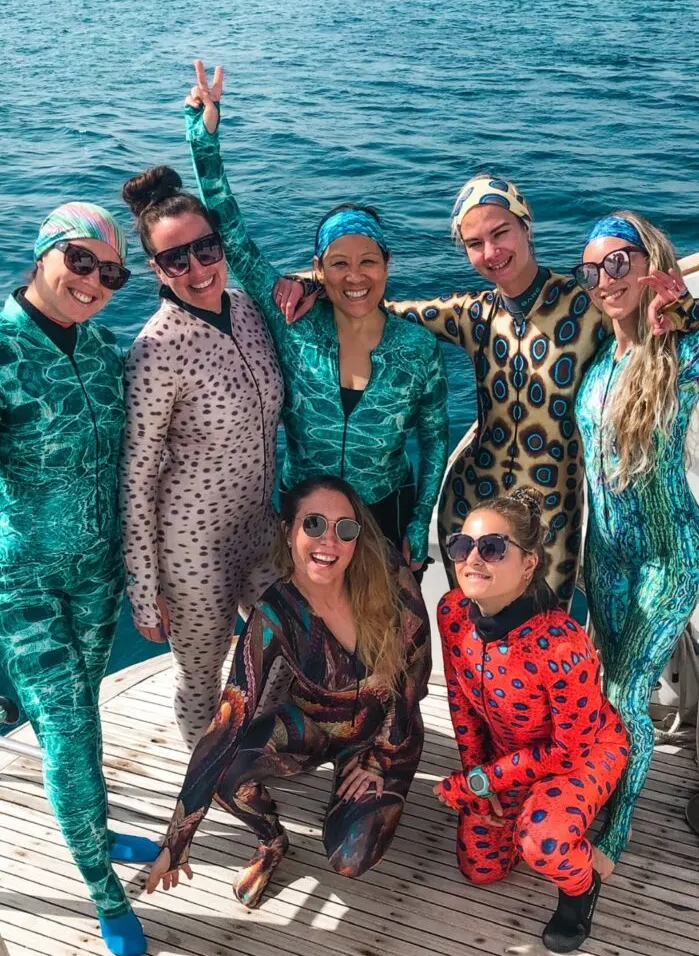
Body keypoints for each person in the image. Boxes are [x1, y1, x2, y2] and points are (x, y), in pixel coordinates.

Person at [275, 176, 691, 605]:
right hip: (470, 502)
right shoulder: (474, 314)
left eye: (500, 233)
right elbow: (371, 303)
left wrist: (685, 313)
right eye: (475, 243)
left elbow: (650, 323)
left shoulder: (587, 302)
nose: (491, 253)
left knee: (545, 636)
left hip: (551, 513)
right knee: (472, 637)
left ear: (526, 227)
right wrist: (311, 282)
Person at [182, 61, 448, 575]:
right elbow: (231, 235)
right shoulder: (292, 321)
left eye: (368, 261)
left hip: (383, 515)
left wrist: (420, 520)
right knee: (306, 642)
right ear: (319, 269)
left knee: (381, 644)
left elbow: (434, 438)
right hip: (301, 517)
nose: (356, 276)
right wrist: (204, 139)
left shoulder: (417, 349)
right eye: (340, 263)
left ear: (387, 265)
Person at [145, 475, 430, 908]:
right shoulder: (274, 613)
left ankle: (352, 786)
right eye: (313, 524)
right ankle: (271, 840)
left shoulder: (386, 573)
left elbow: (416, 671)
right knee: (222, 771)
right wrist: (177, 838)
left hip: (388, 732)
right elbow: (228, 722)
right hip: (316, 727)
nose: (328, 541)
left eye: (344, 529)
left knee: (350, 860)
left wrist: (379, 757)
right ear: (289, 530)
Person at [0, 204, 155, 956]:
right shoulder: (1, 349)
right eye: (79, 260)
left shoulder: (101, 348)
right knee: (64, 733)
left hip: (98, 575)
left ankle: (96, 828)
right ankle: (104, 892)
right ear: (43, 254)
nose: (94, 281)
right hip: (21, 579)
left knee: (85, 714)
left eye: (111, 271)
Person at [120, 159, 285, 749]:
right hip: (192, 549)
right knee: (201, 676)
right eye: (175, 259)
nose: (196, 268)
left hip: (259, 526)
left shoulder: (246, 309)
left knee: (288, 643)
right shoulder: (155, 350)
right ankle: (211, 780)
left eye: (206, 249)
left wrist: (307, 285)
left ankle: (252, 747)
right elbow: (136, 477)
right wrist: (144, 588)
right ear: (156, 269)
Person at [434, 487, 628, 953]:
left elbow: (570, 749)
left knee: (542, 842)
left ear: (528, 564)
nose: (473, 558)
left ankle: (580, 889)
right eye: (462, 545)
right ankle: (548, 811)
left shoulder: (562, 644)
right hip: (512, 754)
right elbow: (462, 704)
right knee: (481, 870)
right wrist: (478, 779)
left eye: (493, 548)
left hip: (585, 753)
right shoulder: (452, 613)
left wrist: (480, 782)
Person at [574, 212, 699, 878]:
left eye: (618, 262)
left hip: (668, 555)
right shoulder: (602, 357)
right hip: (606, 555)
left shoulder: (679, 354)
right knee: (604, 691)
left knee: (626, 697)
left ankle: (611, 840)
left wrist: (690, 313)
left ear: (650, 262)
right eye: (592, 270)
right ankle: (602, 792)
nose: (604, 280)